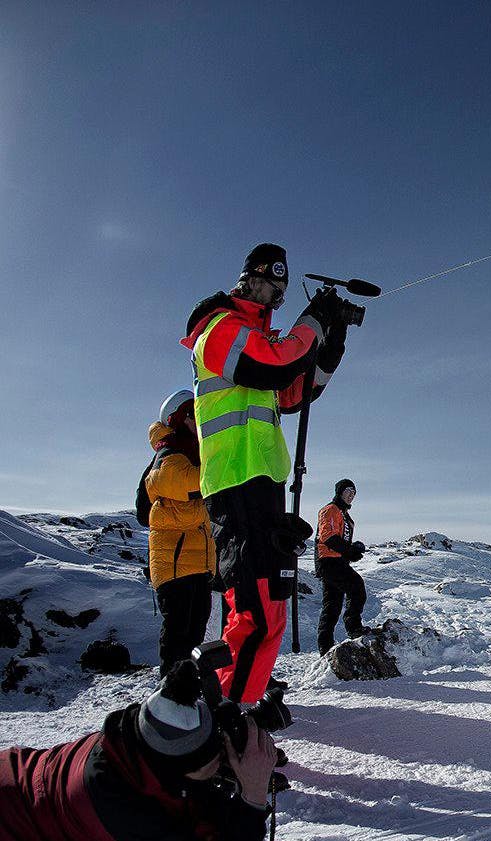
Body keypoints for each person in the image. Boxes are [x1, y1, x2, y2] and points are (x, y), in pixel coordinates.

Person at [182, 243, 346, 703]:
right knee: (256, 612)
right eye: (274, 288)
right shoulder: (218, 327)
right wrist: (312, 322)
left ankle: (237, 700)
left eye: (283, 292)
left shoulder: (259, 338)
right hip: (236, 483)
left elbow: (294, 392)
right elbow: (269, 365)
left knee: (266, 605)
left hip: (261, 484)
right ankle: (228, 713)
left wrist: (330, 346)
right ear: (250, 279)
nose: (278, 298)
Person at [0, 661, 276, 841]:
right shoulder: (125, 814)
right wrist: (252, 797)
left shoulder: (138, 736)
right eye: (215, 757)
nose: (223, 758)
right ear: (181, 774)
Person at [146, 389, 216, 677]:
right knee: (178, 634)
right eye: (191, 414)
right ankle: (170, 690)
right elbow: (190, 487)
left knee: (194, 633)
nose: (197, 420)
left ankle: (188, 688)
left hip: (197, 563)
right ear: (178, 420)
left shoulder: (191, 453)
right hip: (175, 565)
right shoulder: (169, 456)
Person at [315, 479, 368, 655]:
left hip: (337, 561)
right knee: (357, 587)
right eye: (348, 491)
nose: (351, 495)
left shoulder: (345, 516)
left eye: (354, 493)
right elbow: (328, 537)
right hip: (329, 562)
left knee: (332, 605)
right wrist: (349, 551)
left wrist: (351, 552)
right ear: (339, 492)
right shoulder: (331, 510)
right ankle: (354, 628)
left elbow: (340, 540)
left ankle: (325, 647)